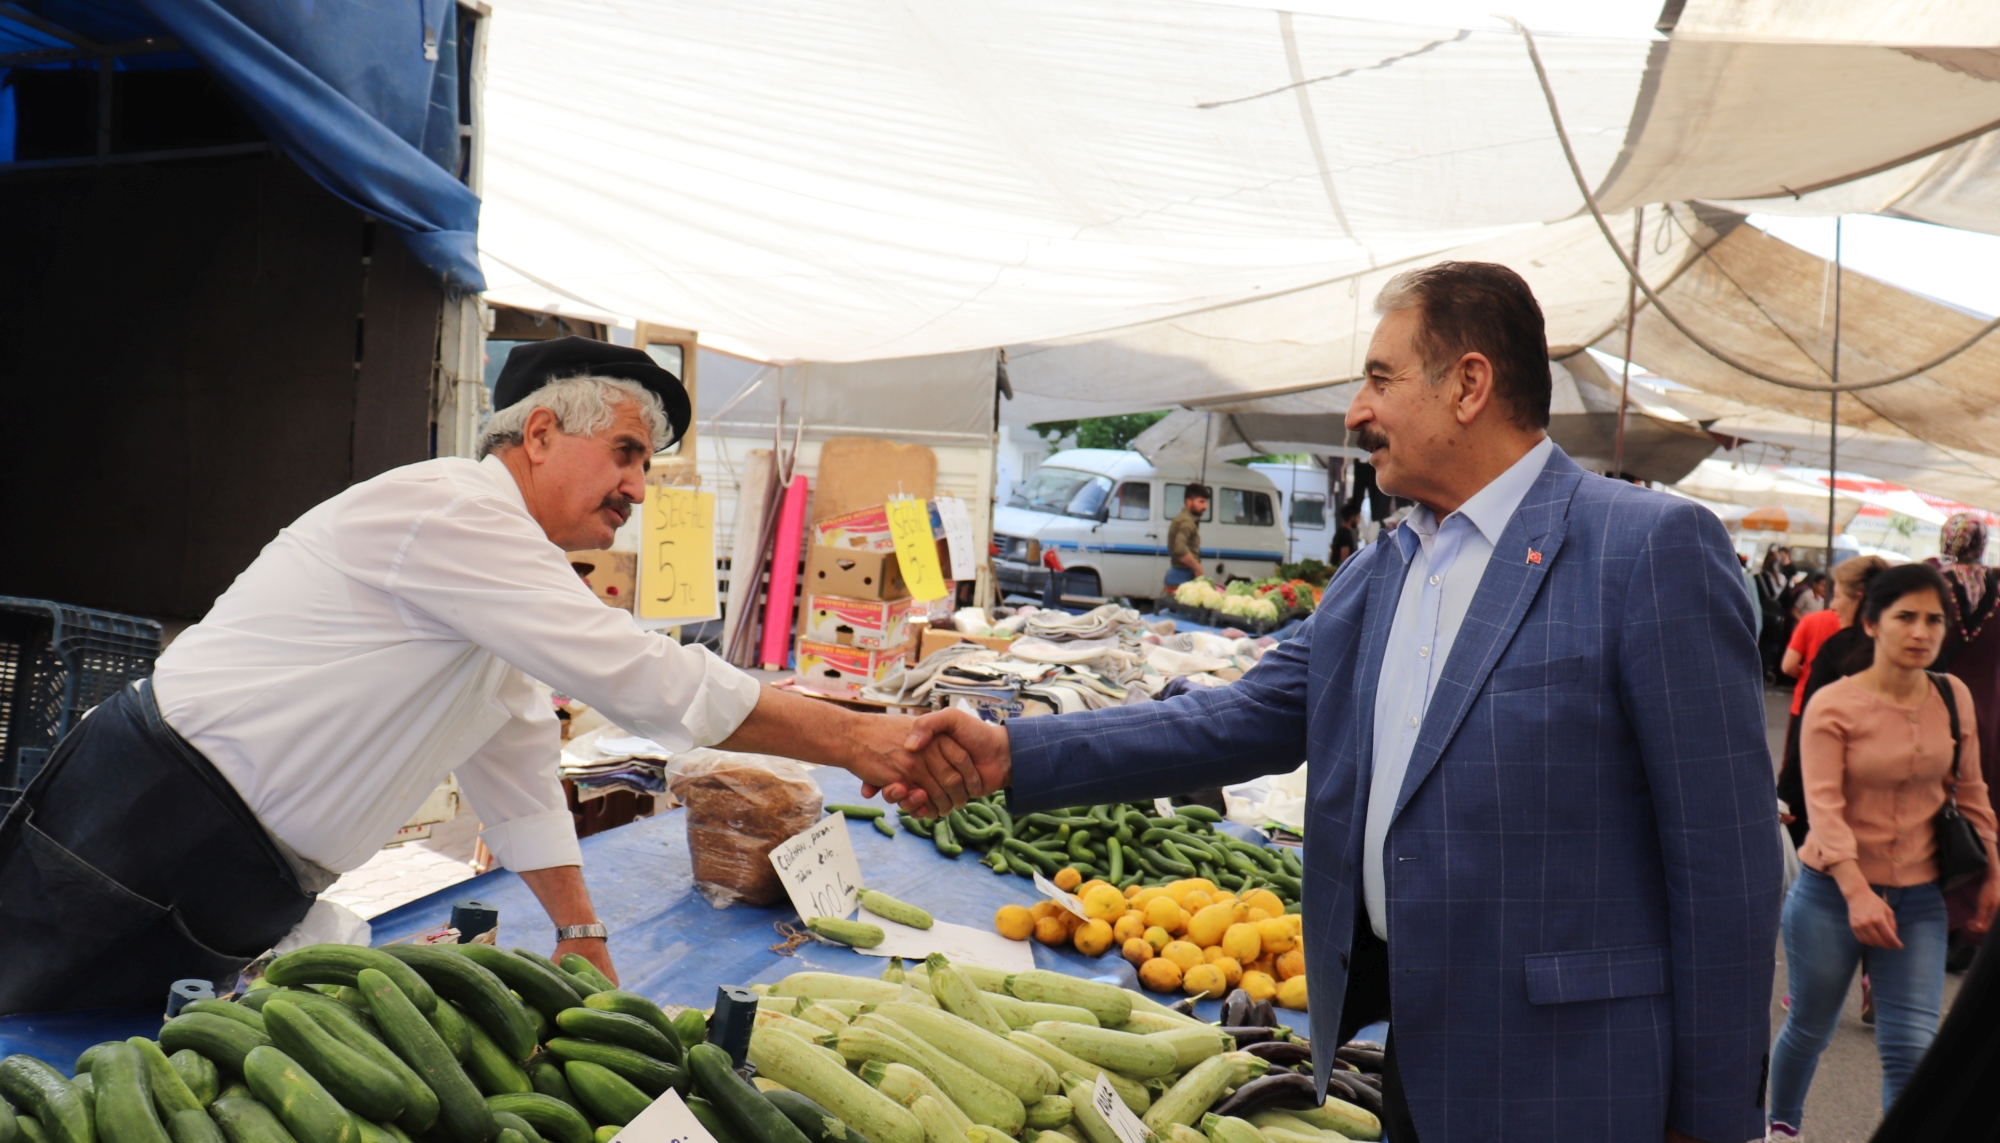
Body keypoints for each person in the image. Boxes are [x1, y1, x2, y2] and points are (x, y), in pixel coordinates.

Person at [897, 261, 1782, 1143]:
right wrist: (1011, 752)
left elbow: (1727, 867)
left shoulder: (1644, 549)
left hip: (1577, 1078)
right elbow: (1238, 718)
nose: (1358, 410)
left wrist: (1708, 1120)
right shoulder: (1383, 568)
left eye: (1380, 377)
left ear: (1469, 384)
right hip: (1417, 1059)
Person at [0, 337, 947, 1014]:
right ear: (538, 433)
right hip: (147, 825)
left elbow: (517, 760)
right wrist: (861, 737)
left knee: (101, 1051)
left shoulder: (507, 576)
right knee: (29, 1036)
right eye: (624, 452)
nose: (637, 487)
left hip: (234, 871)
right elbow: (646, 679)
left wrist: (581, 935)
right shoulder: (453, 511)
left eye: (645, 465)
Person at [1766, 562, 2000, 1140]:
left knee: (1911, 1046)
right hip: (1830, 894)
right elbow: (1825, 809)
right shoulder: (1834, 704)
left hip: (1919, 897)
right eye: (1906, 618)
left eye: (1934, 620)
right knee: (1810, 1028)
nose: (1922, 631)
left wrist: (1993, 870)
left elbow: (1971, 789)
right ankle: (1780, 1127)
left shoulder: (1953, 695)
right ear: (1871, 623)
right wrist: (1856, 893)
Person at [1926, 512, 2000, 970]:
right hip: (1990, 717)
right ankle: (1973, 922)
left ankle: (1930, 919)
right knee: (1981, 810)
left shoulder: (1926, 580)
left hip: (1930, 708)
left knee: (1926, 809)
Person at [1777, 556, 1889, 848]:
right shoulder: (1898, 647)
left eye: (1837, 595)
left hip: (1834, 789)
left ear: (1859, 598)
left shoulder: (1840, 648)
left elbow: (1811, 727)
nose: (1834, 605)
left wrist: (1786, 794)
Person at [1164, 483, 1211, 593]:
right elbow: (1180, 549)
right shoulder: (1186, 522)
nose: (1206, 507)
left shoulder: (1185, 519)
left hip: (1179, 575)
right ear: (1189, 501)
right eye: (1201, 502)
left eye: (1206, 502)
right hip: (1182, 576)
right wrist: (1197, 567)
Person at [1760, 548, 1797, 681]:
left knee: (1759, 644)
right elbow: (1788, 602)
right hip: (1776, 618)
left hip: (1761, 615)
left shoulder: (1758, 578)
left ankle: (1758, 669)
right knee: (1769, 647)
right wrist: (1782, 615)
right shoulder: (1783, 581)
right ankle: (1764, 671)